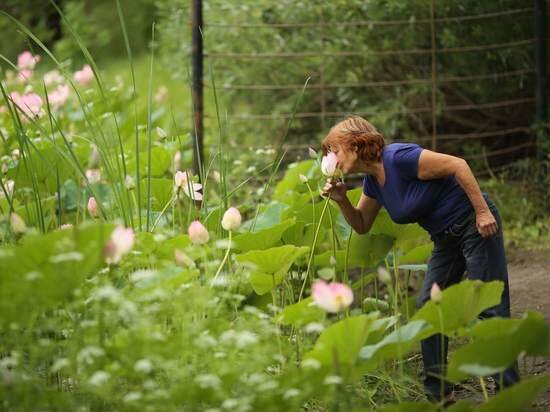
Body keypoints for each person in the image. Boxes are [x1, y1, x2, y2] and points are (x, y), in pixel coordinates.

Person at [320, 116, 520, 403]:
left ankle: (509, 394)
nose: (332, 158)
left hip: (474, 224)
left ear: (354, 144)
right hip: (445, 240)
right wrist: (342, 200)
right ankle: (439, 395)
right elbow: (362, 223)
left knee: (488, 305)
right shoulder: (373, 182)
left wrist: (482, 212)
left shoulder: (399, 158)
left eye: (334, 150)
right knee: (428, 306)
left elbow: (457, 165)